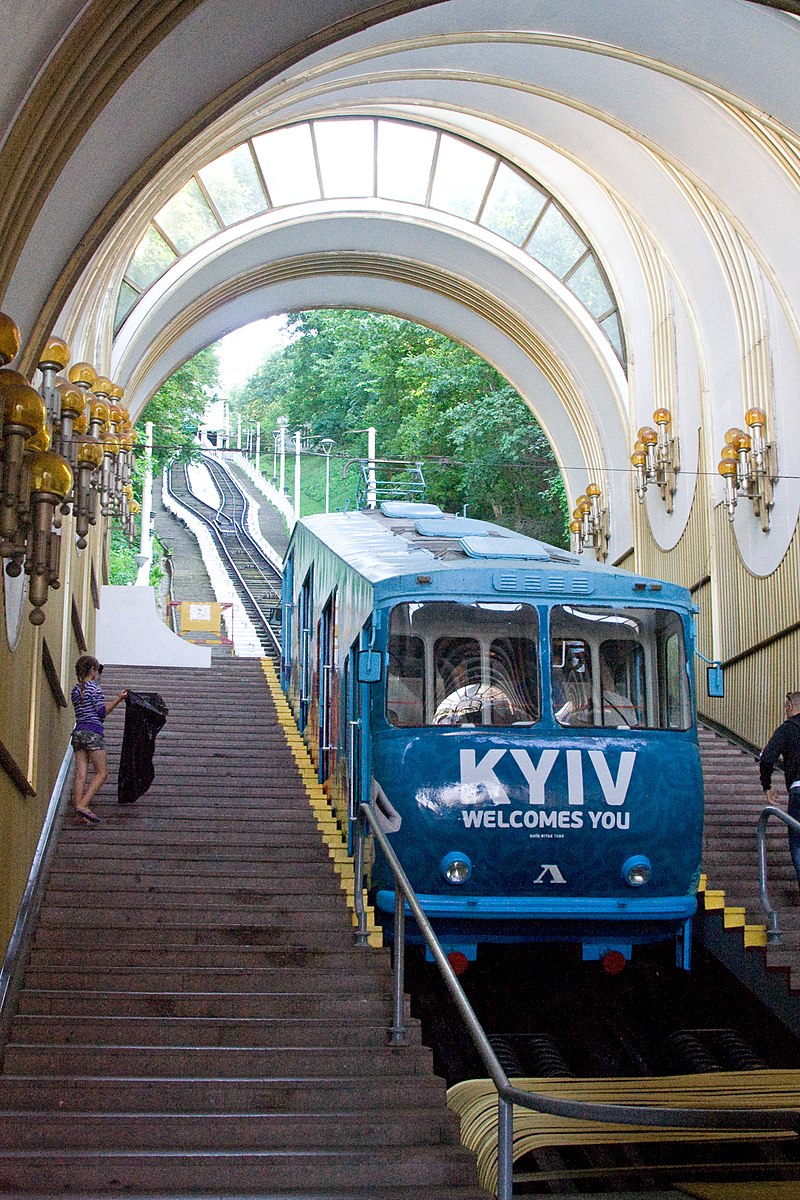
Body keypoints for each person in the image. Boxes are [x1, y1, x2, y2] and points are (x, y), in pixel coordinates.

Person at [70, 655, 126, 824]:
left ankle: (79, 815)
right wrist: (118, 698)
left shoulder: (75, 691)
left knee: (81, 775)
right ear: (93, 671)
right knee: (102, 773)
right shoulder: (95, 689)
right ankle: (83, 806)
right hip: (93, 733)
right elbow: (102, 713)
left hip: (78, 732)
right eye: (96, 670)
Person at [759, 690, 800, 888]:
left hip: (799, 790)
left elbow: (767, 758)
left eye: (786, 707)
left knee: (798, 843)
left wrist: (766, 786)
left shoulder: (787, 729)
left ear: (790, 708)